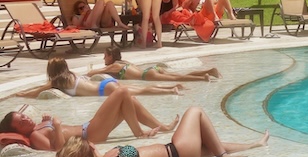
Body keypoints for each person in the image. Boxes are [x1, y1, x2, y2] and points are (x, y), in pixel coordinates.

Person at [53, 106, 269, 157]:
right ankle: (223, 156)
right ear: (88, 148)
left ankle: (254, 145)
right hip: (178, 156)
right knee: (195, 111)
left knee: (210, 144)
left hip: (176, 151)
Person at [0, 86, 179, 151]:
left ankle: (163, 127)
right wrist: (55, 124)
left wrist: (46, 120)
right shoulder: (35, 137)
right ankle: (140, 133)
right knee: (122, 91)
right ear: (18, 131)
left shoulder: (37, 127)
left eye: (23, 116)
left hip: (89, 127)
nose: (26, 119)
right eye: (21, 123)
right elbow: (59, 150)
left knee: (128, 100)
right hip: (89, 135)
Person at [17, 57, 184, 98]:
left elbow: (36, 92)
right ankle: (170, 89)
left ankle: (170, 91)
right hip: (105, 83)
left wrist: (18, 94)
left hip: (104, 90)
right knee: (139, 90)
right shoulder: (71, 76)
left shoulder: (56, 82)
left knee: (139, 92)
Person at [89, 46, 221, 83]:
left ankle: (203, 78)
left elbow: (92, 73)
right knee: (179, 75)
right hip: (153, 69)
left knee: (178, 78)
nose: (103, 58)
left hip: (147, 75)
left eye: (105, 55)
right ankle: (209, 71)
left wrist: (86, 72)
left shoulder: (114, 66)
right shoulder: (124, 62)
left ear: (111, 56)